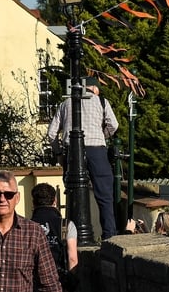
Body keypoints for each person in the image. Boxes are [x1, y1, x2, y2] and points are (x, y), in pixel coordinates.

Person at [47, 76, 119, 240]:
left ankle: (73, 238)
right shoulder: (101, 101)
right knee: (105, 196)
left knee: (73, 195)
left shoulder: (65, 104)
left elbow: (51, 134)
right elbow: (113, 125)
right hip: (96, 150)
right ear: (94, 89)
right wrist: (102, 136)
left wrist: (59, 154)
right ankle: (109, 236)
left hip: (72, 152)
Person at [31, 183, 78, 291]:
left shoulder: (27, 226)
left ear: (33, 203)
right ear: (55, 201)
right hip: (59, 280)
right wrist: (70, 281)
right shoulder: (65, 225)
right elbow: (72, 259)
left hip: (34, 282)